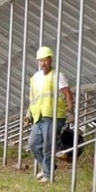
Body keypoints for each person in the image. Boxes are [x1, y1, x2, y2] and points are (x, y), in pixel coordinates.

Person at [25, 46, 74, 183]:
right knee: (33, 144)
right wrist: (29, 114)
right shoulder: (35, 78)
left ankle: (48, 175)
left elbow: (68, 95)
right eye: (40, 61)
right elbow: (33, 98)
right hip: (39, 116)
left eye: (45, 60)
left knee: (48, 146)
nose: (43, 63)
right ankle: (48, 167)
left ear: (50, 60)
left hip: (54, 116)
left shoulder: (58, 76)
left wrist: (70, 112)